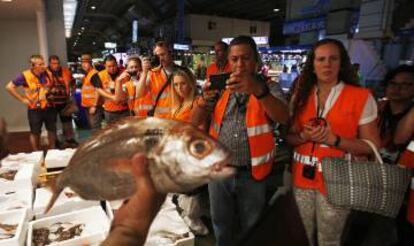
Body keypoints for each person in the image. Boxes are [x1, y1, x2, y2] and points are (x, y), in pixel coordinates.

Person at [192, 35, 289, 245]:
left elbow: (283, 116)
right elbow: (194, 122)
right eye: (234, 59)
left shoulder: (269, 88)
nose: (239, 64)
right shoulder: (219, 87)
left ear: (256, 61)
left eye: (245, 58)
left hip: (252, 174)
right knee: (221, 223)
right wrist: (202, 101)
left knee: (252, 226)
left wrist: (259, 91)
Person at [286, 38, 380, 246]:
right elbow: (289, 138)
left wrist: (334, 140)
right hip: (302, 179)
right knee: (301, 236)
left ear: (341, 63)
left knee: (329, 240)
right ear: (312, 65)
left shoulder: (361, 97)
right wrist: (303, 136)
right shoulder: (300, 96)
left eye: (333, 59)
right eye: (320, 59)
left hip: (337, 181)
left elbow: (371, 146)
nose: (326, 64)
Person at [166, 67, 209, 235]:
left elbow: (202, 130)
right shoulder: (178, 104)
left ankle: (193, 220)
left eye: (183, 84)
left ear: (191, 83)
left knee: (192, 190)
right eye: (176, 85)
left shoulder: (198, 102)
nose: (179, 88)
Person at [5, 55, 57, 150]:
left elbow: (50, 86)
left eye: (43, 63)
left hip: (49, 106)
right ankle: (36, 152)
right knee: (35, 132)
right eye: (40, 64)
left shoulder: (48, 73)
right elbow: (9, 87)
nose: (43, 66)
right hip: (35, 109)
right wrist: (22, 99)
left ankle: (53, 150)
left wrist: (52, 91)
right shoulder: (25, 75)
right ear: (33, 65)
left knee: (52, 129)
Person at [378, 65, 414, 162]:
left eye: (405, 84)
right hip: (371, 167)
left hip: (404, 171)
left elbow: (399, 140)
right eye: (392, 83)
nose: (397, 88)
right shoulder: (377, 109)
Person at [136, 41, 179, 118]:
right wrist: (144, 73)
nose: (160, 58)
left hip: (178, 118)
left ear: (171, 54)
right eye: (157, 56)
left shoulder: (182, 72)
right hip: (160, 119)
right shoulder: (152, 73)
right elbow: (139, 94)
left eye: (163, 54)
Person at [47, 55, 78, 147]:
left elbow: (73, 83)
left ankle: (69, 139)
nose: (56, 65)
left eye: (57, 63)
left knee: (67, 121)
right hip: (51, 103)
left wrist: (72, 94)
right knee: (52, 124)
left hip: (65, 102)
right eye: (53, 63)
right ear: (49, 63)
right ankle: (55, 141)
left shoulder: (66, 71)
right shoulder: (45, 72)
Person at [91, 55, 129, 124]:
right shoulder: (99, 76)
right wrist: (112, 97)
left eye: (114, 65)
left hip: (125, 109)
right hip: (109, 111)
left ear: (117, 64)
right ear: (104, 65)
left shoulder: (125, 73)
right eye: (109, 66)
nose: (112, 68)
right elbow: (98, 89)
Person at [80, 54, 102, 131]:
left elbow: (98, 90)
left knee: (96, 128)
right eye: (82, 63)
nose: (84, 65)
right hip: (88, 106)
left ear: (90, 63)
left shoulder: (94, 74)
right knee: (93, 127)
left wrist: (94, 106)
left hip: (93, 106)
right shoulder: (87, 74)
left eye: (86, 63)